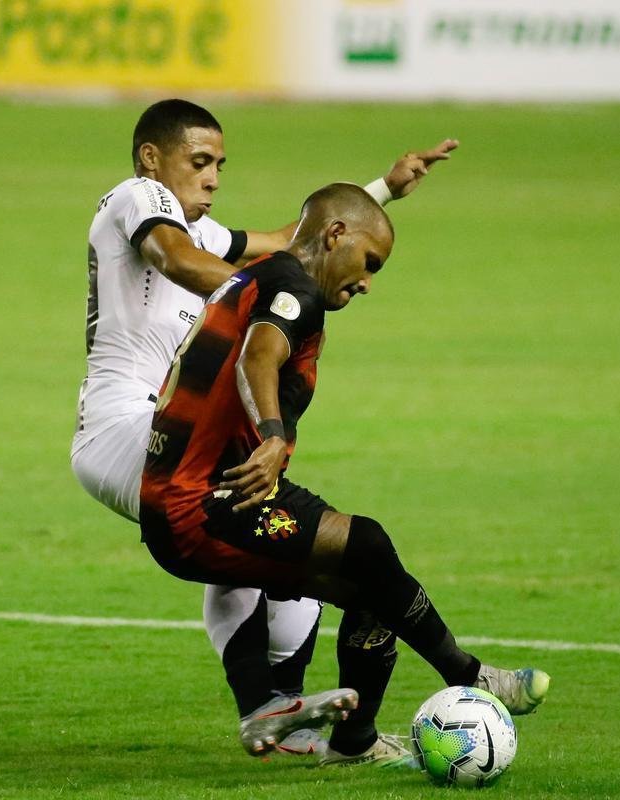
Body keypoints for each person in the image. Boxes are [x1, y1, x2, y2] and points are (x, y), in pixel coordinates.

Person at [70, 99, 459, 756]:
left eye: (220, 164)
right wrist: (270, 303)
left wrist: (382, 190)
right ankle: (267, 703)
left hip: (155, 425)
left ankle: (284, 719)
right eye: (200, 161)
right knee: (238, 510)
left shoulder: (200, 230)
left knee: (270, 554)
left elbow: (293, 241)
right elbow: (177, 261)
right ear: (151, 158)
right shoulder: (139, 198)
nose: (213, 176)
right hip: (124, 423)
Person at [139, 183, 550, 767]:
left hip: (191, 497)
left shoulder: (261, 278)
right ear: (335, 235)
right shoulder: (296, 289)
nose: (367, 283)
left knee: (373, 592)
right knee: (368, 544)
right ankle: (469, 673)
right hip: (204, 503)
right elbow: (259, 357)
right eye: (370, 262)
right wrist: (273, 435)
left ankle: (353, 741)